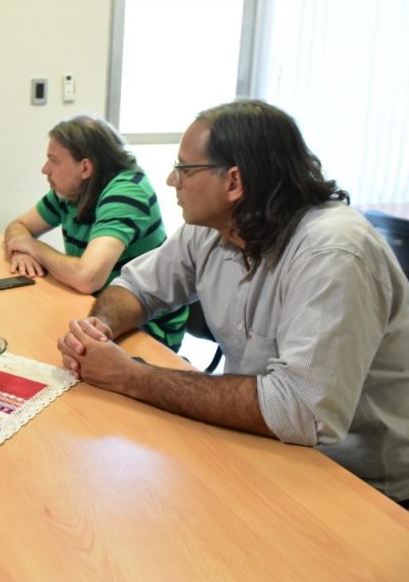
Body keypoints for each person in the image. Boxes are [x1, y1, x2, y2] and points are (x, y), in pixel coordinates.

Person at [58, 99, 409, 506]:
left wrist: (131, 377)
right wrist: (99, 329)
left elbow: (298, 409)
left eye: (184, 169)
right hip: (265, 447)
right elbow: (136, 288)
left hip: (357, 485)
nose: (172, 180)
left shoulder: (334, 252)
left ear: (234, 182)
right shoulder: (212, 227)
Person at [4, 116, 187, 350]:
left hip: (146, 328)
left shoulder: (127, 192)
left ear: (85, 168)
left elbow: (87, 278)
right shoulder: (71, 190)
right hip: (96, 309)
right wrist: (22, 251)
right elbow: (18, 225)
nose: (45, 169)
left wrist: (32, 247)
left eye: (53, 160)